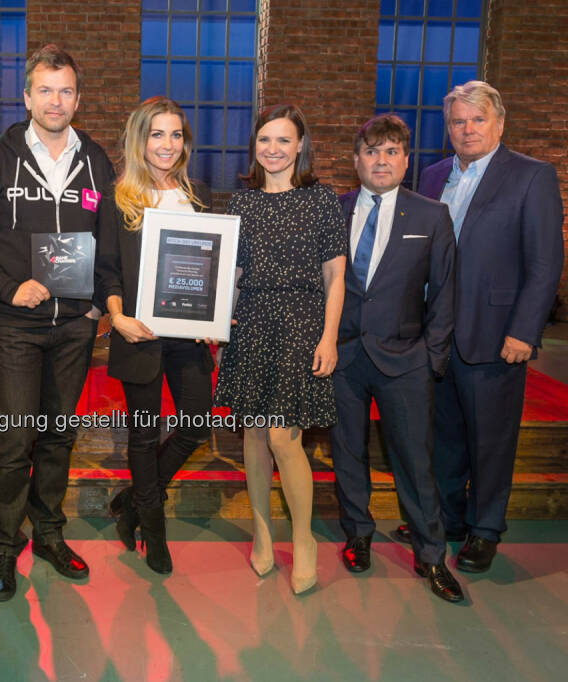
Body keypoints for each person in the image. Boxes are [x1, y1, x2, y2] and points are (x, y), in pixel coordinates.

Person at [0, 44, 116, 601]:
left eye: (66, 90)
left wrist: (97, 305)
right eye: (45, 90)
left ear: (78, 97)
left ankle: (48, 534)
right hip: (16, 326)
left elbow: (110, 242)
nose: (56, 100)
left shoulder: (95, 161)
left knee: (56, 437)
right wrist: (6, 286)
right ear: (27, 97)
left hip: (74, 327)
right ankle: (4, 547)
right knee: (15, 439)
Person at [394, 81, 564, 572]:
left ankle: (485, 529)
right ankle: (447, 517)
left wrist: (525, 332)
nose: (466, 130)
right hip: (436, 334)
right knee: (442, 434)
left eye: (477, 120)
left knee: (490, 440)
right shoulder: (431, 175)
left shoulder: (532, 177)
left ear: (499, 123)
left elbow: (545, 262)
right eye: (457, 121)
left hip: (496, 335)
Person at [213, 104, 346, 594]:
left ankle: (305, 539)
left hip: (301, 323)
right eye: (265, 140)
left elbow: (335, 276)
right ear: (255, 147)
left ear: (300, 147)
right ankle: (263, 532)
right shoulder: (241, 205)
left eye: (283, 140)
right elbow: (234, 274)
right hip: (251, 323)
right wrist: (214, 317)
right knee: (252, 434)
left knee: (283, 437)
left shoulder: (321, 200)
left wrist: (329, 335)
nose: (273, 149)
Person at [330, 114, 463, 602]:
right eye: (371, 151)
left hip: (405, 359)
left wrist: (432, 359)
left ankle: (432, 556)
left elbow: (445, 295)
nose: (380, 161)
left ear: (406, 160)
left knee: (414, 461)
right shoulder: (333, 210)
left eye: (390, 152)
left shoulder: (431, 215)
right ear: (356, 159)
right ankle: (358, 534)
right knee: (347, 452)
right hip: (342, 356)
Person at [95, 96, 214, 575]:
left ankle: (133, 501)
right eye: (157, 134)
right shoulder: (119, 197)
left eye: (176, 134)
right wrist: (118, 318)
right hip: (138, 332)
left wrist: (215, 308)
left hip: (189, 337)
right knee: (143, 438)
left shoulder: (199, 194)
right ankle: (154, 527)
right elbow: (107, 271)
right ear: (140, 140)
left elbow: (210, 266)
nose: (167, 144)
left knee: (196, 424)